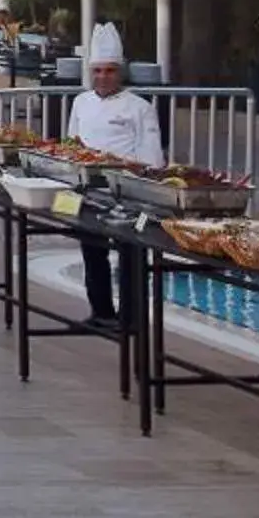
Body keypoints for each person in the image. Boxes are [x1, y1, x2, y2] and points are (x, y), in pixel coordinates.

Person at [67, 22, 163, 328]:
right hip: (89, 191)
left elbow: (153, 160)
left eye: (109, 71)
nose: (102, 77)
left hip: (128, 194)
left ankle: (132, 319)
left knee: (130, 259)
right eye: (97, 71)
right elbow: (72, 146)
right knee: (92, 254)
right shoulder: (80, 102)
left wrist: (125, 167)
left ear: (120, 72)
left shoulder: (140, 108)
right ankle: (101, 313)